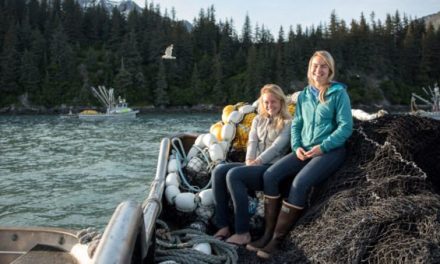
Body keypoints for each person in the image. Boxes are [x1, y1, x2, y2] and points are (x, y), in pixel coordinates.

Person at [247, 50, 353, 259]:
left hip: (330, 151)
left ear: (330, 70)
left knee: (299, 183)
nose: (318, 70)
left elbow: (345, 127)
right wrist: (297, 147)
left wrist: (323, 146)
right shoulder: (305, 95)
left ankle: (277, 240)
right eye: (315, 65)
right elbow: (297, 125)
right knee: (270, 176)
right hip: (304, 150)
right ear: (310, 69)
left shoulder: (338, 93)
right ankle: (267, 233)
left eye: (323, 66)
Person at [212, 84, 292, 245]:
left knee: (234, 175)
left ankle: (243, 232)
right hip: (254, 164)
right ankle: (223, 226)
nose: (269, 106)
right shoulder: (258, 119)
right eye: (266, 102)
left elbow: (278, 147)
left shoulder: (288, 122)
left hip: (271, 168)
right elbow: (252, 141)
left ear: (281, 102)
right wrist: (249, 160)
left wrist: (258, 161)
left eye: (273, 102)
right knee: (219, 171)